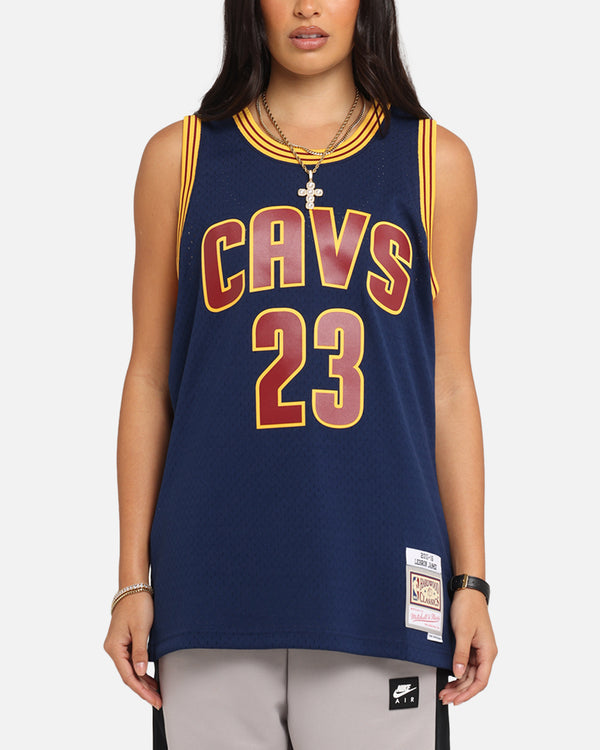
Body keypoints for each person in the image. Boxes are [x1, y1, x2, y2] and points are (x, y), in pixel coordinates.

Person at [104, 1, 497, 748]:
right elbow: (149, 378)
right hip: (210, 585)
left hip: (383, 583)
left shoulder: (433, 160)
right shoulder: (179, 158)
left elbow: (448, 385)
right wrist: (132, 579)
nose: (307, 7)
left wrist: (472, 580)